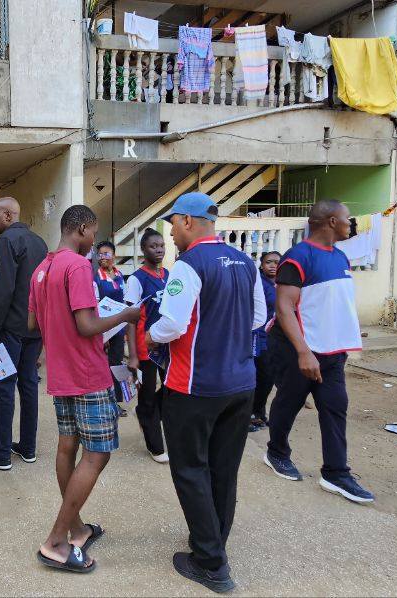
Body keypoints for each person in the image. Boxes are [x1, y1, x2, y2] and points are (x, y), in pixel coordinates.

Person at [144, 193, 266, 593]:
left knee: (190, 469)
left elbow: (172, 324)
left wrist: (149, 336)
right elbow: (259, 318)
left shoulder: (190, 263)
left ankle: (211, 563)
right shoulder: (245, 262)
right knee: (223, 469)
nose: (171, 234)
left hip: (193, 386)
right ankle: (213, 540)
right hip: (241, 384)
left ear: (187, 221)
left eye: (173, 225)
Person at [28, 205, 141, 573]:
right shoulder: (77, 266)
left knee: (68, 447)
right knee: (97, 454)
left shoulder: (42, 268)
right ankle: (56, 541)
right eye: (93, 232)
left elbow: (33, 322)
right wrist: (125, 315)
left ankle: (76, 529)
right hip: (87, 373)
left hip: (62, 373)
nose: (94, 240)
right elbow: (87, 325)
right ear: (80, 229)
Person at [264, 200, 375, 504]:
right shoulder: (298, 257)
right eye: (347, 218)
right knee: (288, 403)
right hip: (298, 349)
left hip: (331, 351)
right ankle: (276, 452)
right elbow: (284, 308)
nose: (351, 224)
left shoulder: (340, 256)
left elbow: (333, 303)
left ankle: (336, 473)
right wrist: (303, 352)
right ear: (331, 221)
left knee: (335, 406)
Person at [0, 196, 48, 470]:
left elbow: (4, 290)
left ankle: (1, 453)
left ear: (8, 216)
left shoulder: (7, 240)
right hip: (35, 328)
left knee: (4, 388)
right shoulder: (39, 242)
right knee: (29, 385)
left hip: (11, 330)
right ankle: (28, 448)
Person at [123, 228, 170, 463]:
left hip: (168, 346)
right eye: (153, 246)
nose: (159, 250)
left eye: (161, 245)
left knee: (172, 390)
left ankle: (143, 412)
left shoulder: (168, 275)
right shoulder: (136, 279)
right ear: (143, 249)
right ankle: (156, 447)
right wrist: (133, 355)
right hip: (146, 349)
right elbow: (130, 320)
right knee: (148, 396)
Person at [93, 241, 131, 418]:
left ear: (114, 255)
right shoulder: (96, 278)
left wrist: (125, 330)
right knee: (103, 366)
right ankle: (105, 403)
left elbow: (124, 302)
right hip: (104, 329)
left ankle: (115, 402)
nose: (102, 257)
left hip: (119, 329)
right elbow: (95, 307)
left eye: (106, 253)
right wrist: (103, 334)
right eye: (100, 254)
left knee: (116, 364)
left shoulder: (119, 275)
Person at [250, 251, 281, 432]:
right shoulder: (259, 283)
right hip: (259, 335)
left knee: (269, 376)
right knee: (260, 375)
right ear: (262, 265)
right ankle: (250, 413)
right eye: (269, 262)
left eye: (277, 262)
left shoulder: (283, 284)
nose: (273, 265)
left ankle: (260, 412)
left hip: (277, 337)